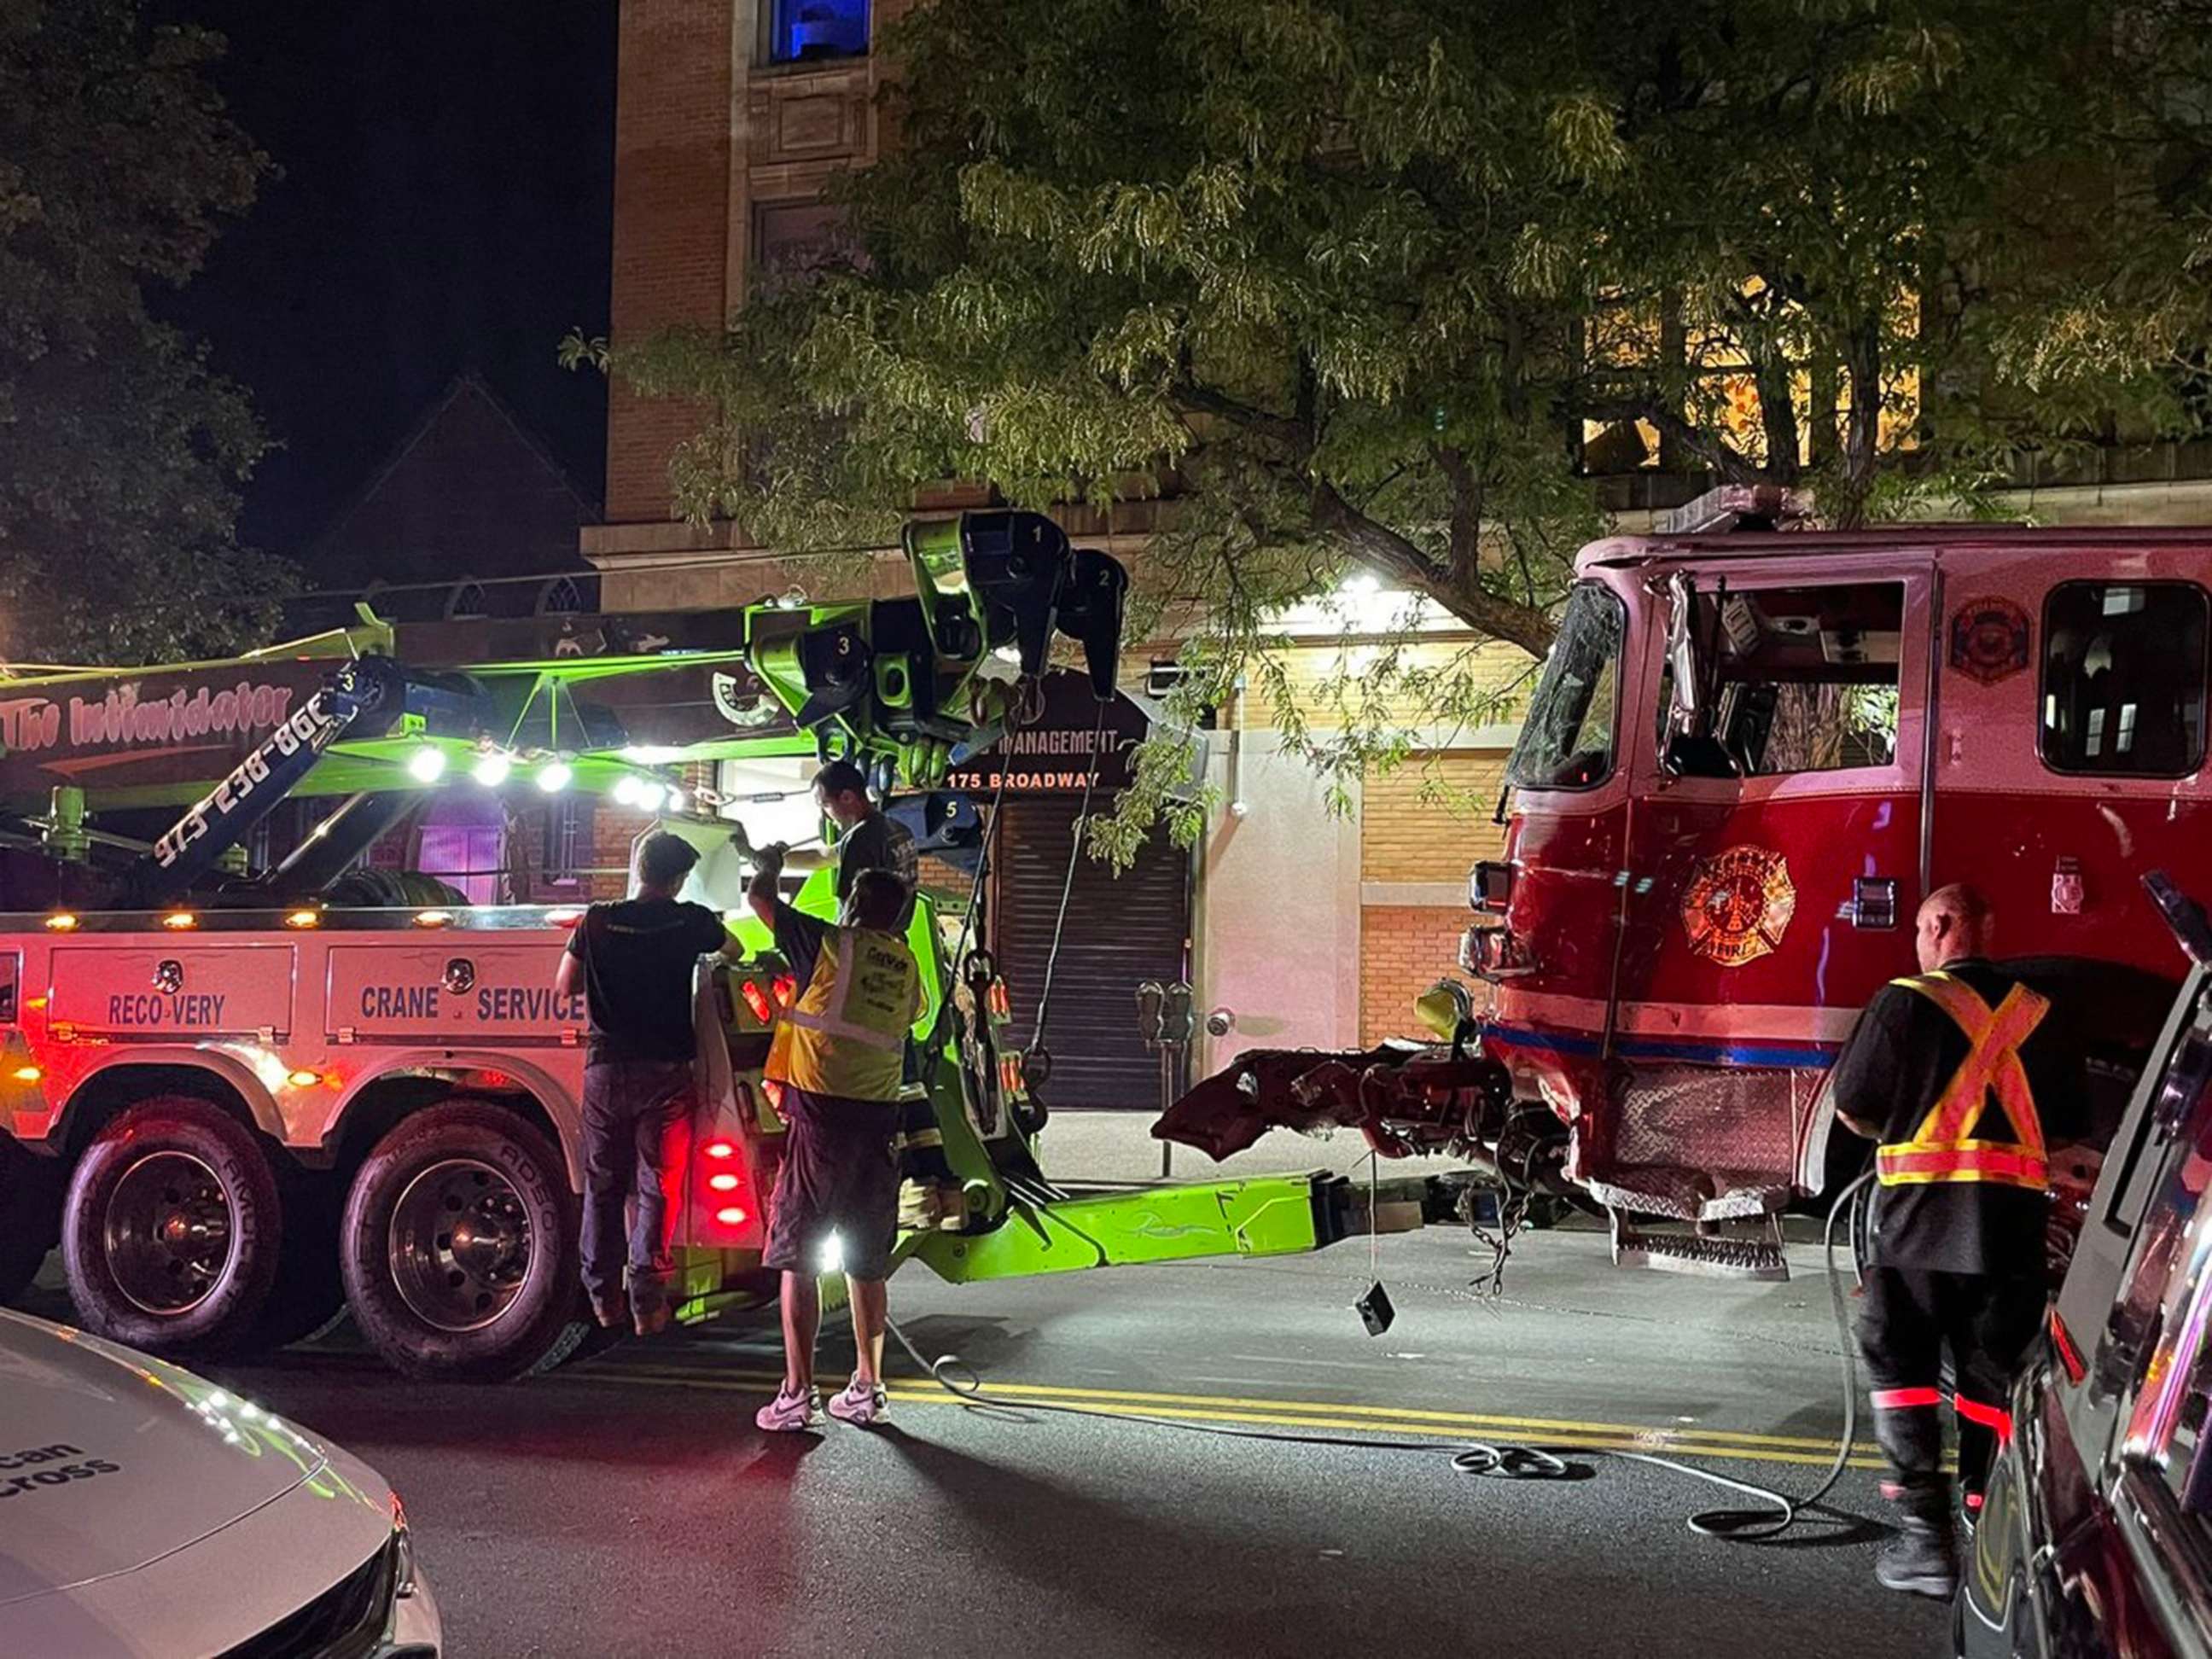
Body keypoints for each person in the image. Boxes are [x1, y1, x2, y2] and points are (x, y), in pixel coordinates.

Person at [1830, 882, 2086, 1599]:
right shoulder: (2040, 1014)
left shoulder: (1903, 1000)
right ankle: (1986, 1510)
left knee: (1902, 1368)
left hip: (1913, 1230)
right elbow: (2065, 1126)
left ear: (1940, 927)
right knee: (1991, 1376)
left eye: (1919, 929)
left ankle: (1923, 1540)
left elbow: (1854, 1106)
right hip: (2010, 1233)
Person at [745, 841, 922, 1431]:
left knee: (799, 1255)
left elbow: (759, 900)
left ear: (850, 905)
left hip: (821, 1122)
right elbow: (913, 1017)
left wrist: (768, 861)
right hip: (878, 1124)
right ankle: (868, 1390)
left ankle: (796, 1393)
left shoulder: (828, 943)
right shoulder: (907, 966)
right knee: (867, 1261)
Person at [555, 832, 742, 1336]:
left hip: (606, 1070)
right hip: (665, 1076)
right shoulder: (688, 921)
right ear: (679, 879)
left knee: (602, 1186)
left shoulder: (595, 919)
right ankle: (646, 1303)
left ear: (638, 868)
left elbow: (564, 985)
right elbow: (736, 948)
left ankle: (603, 1300)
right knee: (656, 1187)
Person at [757, 760, 919, 928]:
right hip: (894, 942)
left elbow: (851, 915)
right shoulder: (898, 829)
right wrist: (778, 859)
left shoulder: (860, 840)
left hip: (865, 944)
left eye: (826, 805)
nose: (826, 816)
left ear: (847, 797)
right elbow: (822, 857)